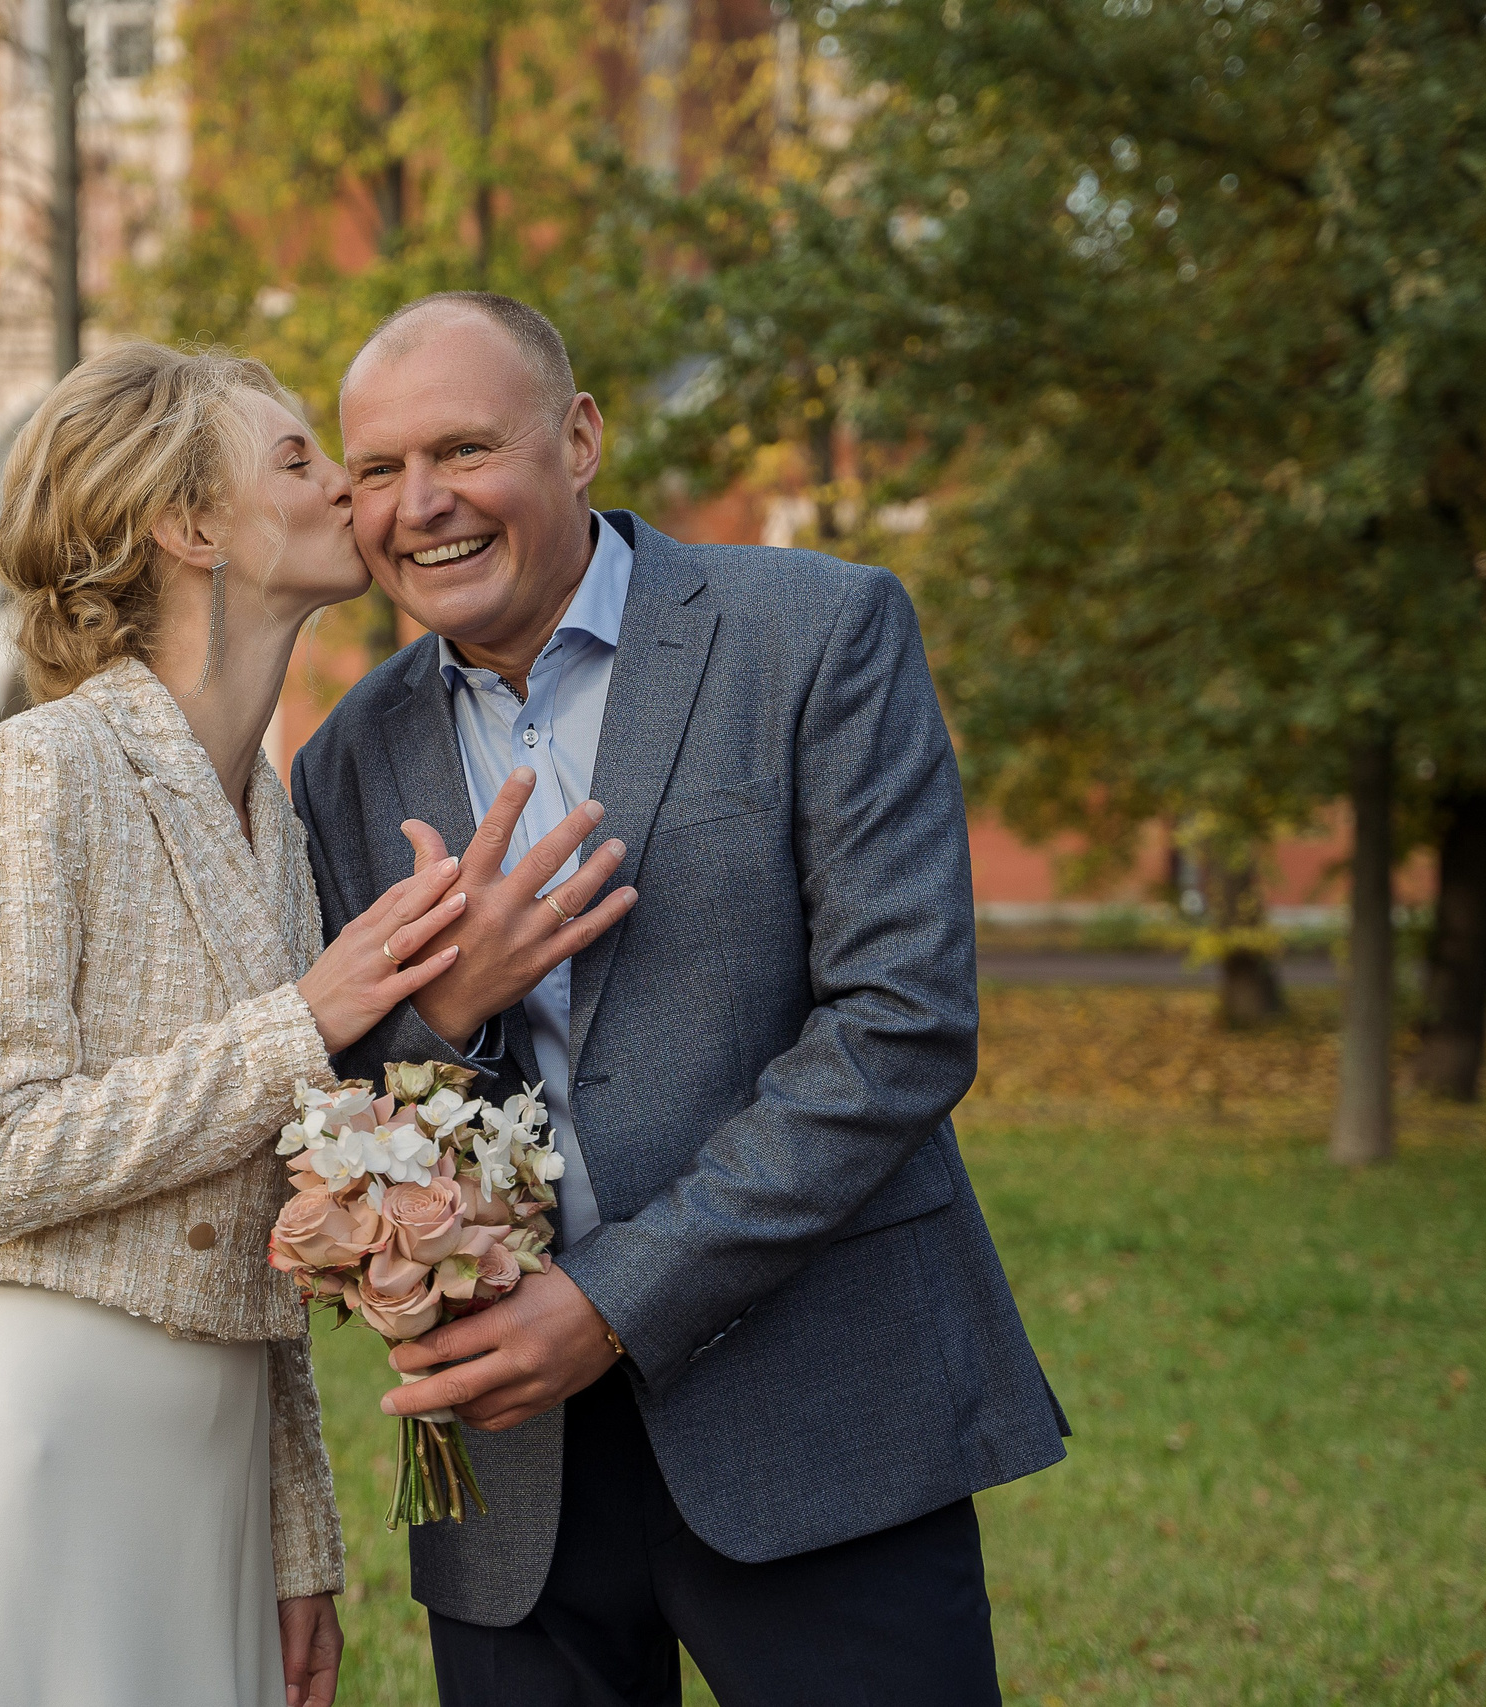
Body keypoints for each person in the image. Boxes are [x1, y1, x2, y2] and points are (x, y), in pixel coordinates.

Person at [288, 293, 1071, 1705]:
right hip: (510, 1483)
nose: (422, 507)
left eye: (464, 449)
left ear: (579, 438)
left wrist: (611, 1303)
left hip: (820, 1417)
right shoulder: (344, 762)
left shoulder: (814, 632)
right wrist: (450, 1008)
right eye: (378, 472)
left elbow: (900, 1024)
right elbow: (346, 1088)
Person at [0, 341, 627, 1707]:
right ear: (194, 527)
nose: (354, 492)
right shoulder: (40, 772)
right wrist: (302, 1024)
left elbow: (274, 1214)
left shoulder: (280, 820)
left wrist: (296, 1535)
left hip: (213, 1459)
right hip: (48, 1424)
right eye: (303, 460)